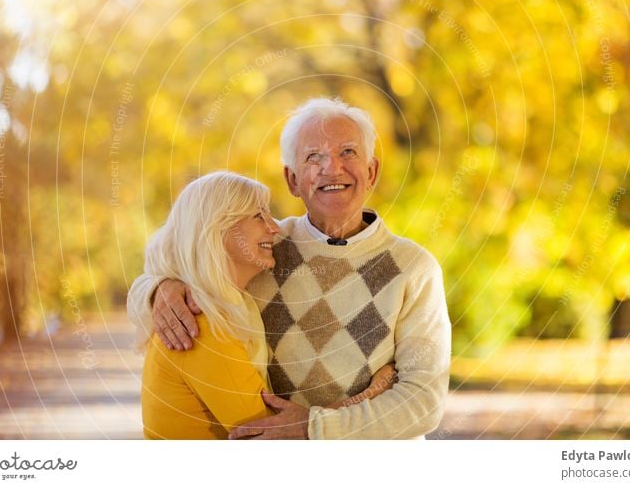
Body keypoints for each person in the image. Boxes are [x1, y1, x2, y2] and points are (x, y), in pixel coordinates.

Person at [129, 98, 451, 439]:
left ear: (371, 172)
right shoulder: (262, 249)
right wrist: (158, 288)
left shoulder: (415, 269)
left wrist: (316, 429)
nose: (332, 168)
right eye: (314, 156)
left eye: (348, 152)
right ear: (292, 179)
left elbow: (424, 401)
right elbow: (187, 256)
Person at [139, 171, 396, 439]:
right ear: (218, 229)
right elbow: (269, 436)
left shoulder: (229, 307)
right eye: (258, 216)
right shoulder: (201, 325)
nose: (274, 228)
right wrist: (369, 395)